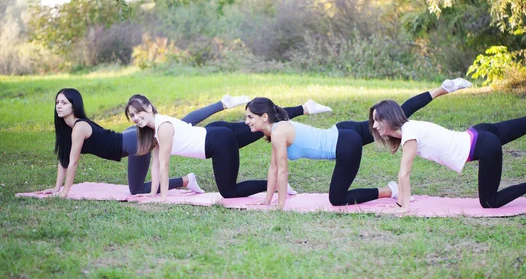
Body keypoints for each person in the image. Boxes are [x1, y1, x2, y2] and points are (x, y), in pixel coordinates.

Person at [244, 79, 472, 208]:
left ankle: (389, 190)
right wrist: (267, 199)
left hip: (345, 144)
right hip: (343, 130)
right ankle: (442, 89)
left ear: (265, 117)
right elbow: (274, 168)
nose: (246, 122)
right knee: (396, 117)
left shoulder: (278, 132)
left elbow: (283, 171)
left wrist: (280, 205)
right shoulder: (279, 129)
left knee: (337, 199)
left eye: (250, 117)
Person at [370, 91, 526, 212]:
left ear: (389, 118)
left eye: (378, 121)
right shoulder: (410, 130)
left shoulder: (409, 133)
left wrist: (404, 207)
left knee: (489, 203)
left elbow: (404, 174)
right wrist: (401, 201)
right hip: (478, 133)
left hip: (484, 147)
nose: (375, 127)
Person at [38, 89, 252, 197]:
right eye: (57, 102)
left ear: (74, 105)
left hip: (131, 144)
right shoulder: (68, 130)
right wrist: (56, 188)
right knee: (183, 123)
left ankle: (186, 180)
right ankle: (222, 103)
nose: (59, 106)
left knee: (136, 189)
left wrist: (65, 192)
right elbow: (64, 159)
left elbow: (74, 163)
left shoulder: (79, 127)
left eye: (64, 102)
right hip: (127, 136)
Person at [124, 94, 332, 202]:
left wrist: (162, 198)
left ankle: (277, 183)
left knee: (229, 192)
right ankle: (305, 108)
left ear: (149, 108)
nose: (135, 118)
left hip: (218, 142)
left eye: (138, 112)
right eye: (131, 116)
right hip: (215, 133)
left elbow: (164, 165)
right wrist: (153, 195)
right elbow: (156, 164)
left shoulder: (163, 127)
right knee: (261, 125)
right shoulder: (153, 129)